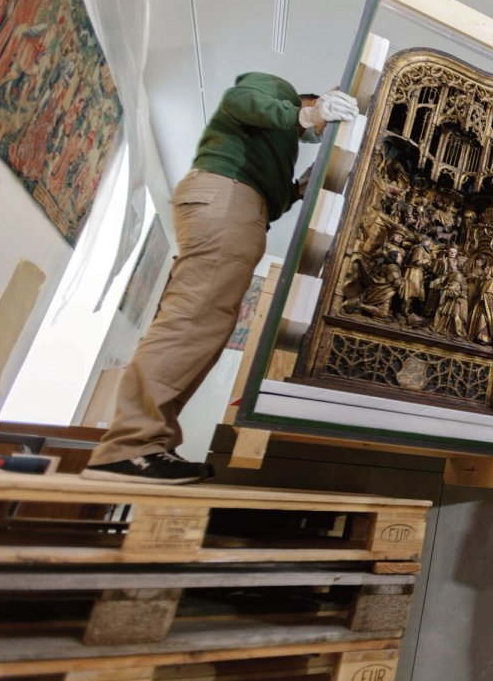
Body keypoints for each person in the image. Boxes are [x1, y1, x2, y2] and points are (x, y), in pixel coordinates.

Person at [81, 73, 358, 484]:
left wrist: (298, 189)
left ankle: (147, 443)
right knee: (194, 318)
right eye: (321, 125)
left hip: (240, 207)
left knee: (207, 326)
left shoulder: (273, 145)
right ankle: (128, 448)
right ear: (308, 98)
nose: (316, 132)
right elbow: (241, 100)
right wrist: (309, 113)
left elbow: (272, 198)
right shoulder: (272, 89)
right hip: (225, 199)